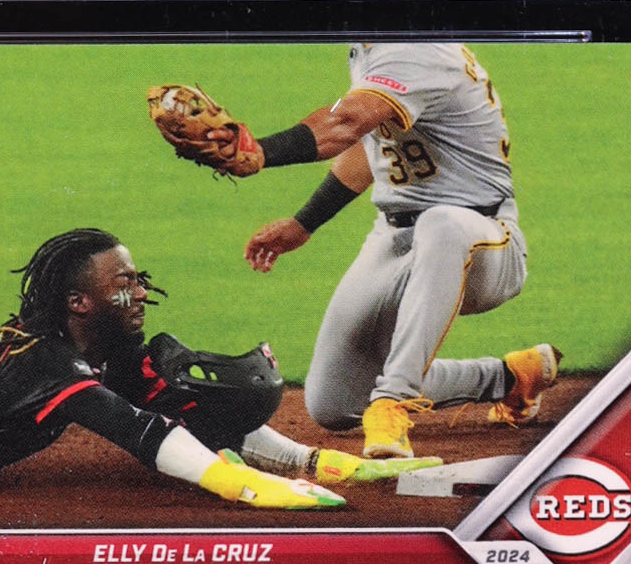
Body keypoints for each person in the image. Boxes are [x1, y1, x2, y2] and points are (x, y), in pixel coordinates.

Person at [0, 228, 438, 509]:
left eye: (137, 279)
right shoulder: (46, 363)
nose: (139, 292)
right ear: (78, 301)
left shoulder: (103, 355)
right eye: (123, 282)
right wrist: (249, 488)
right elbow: (144, 435)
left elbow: (175, 414)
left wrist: (317, 463)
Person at [228, 42, 561, 459]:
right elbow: (367, 147)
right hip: (395, 237)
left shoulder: (414, 47)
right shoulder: (369, 49)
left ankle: (394, 402)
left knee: (441, 222)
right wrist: (304, 222)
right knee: (333, 402)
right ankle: (509, 378)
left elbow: (344, 123)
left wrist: (260, 151)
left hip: (484, 243)